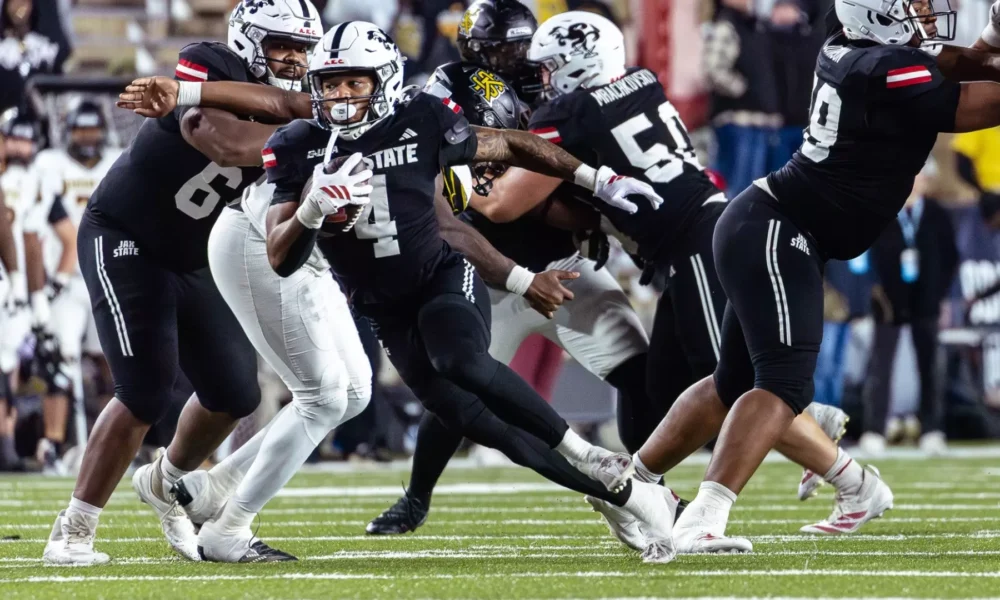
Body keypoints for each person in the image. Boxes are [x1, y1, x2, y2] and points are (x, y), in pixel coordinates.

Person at [121, 20, 682, 563]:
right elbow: (281, 255)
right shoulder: (299, 144)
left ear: (384, 81)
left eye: (355, 82)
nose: (341, 96)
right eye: (331, 83)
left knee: (452, 361)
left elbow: (497, 165)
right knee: (478, 422)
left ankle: (599, 464)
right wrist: (313, 209)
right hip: (375, 302)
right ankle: (624, 498)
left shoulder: (422, 118)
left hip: (438, 277)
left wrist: (597, 180)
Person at [458, 11, 855, 550]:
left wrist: (452, 175)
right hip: (691, 239)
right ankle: (656, 497)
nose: (543, 79)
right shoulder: (640, 81)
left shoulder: (572, 112)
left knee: (737, 382)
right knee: (655, 395)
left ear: (578, 64)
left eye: (550, 67)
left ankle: (846, 475)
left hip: (694, 242)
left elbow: (502, 205)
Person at [635, 0, 1000, 553]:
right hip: (779, 231)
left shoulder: (860, 50)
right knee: (781, 382)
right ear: (880, 15)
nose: (927, 11)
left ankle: (632, 482)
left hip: (763, 222)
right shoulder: (886, 70)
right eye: (915, 4)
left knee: (732, 381)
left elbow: (946, 62)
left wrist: (992, 39)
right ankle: (703, 519)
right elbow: (980, 99)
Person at [41, 0, 324, 566]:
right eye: (280, 45)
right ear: (248, 42)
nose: (293, 59)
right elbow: (225, 144)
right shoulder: (206, 64)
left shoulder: (301, 106)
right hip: (126, 237)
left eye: (302, 47)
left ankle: (166, 481)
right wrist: (320, 135)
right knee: (144, 390)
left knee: (235, 393)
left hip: (193, 256)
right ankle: (72, 532)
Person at [366, 4, 658, 537]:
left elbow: (554, 187)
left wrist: (581, 214)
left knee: (638, 372)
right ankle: (416, 496)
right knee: (461, 391)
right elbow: (488, 201)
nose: (508, 58)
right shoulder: (448, 90)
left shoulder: (561, 92)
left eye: (514, 47)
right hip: (490, 270)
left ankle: (639, 488)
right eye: (496, 47)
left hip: (563, 264)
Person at [24, 100, 120, 474]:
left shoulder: (117, 160)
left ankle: (117, 442)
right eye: (80, 129)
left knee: (113, 363)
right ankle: (52, 442)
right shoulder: (50, 164)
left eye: (91, 129)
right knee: (57, 362)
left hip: (108, 274)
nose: (86, 137)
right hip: (65, 281)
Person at [0, 108, 38, 472]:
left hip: (12, 288)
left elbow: (26, 237)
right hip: (11, 283)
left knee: (8, 364)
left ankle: (7, 443)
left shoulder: (32, 180)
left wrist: (28, 287)